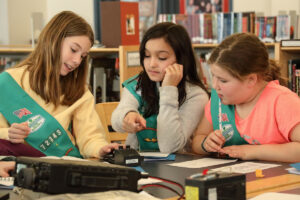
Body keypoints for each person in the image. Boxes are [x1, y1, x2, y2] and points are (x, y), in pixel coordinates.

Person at [0, 11, 119, 158]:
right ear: (53, 40)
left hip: (62, 168)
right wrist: (8, 134)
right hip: (18, 167)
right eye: (74, 50)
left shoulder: (79, 92)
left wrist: (101, 149)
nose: (77, 61)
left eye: (83, 56)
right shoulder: (6, 83)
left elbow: (90, 138)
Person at [192, 32, 300, 163]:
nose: (214, 86)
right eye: (213, 76)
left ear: (251, 80)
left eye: (223, 80)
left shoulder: (282, 101)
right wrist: (206, 144)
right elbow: (198, 140)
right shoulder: (218, 100)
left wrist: (252, 151)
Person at [111, 22, 209, 153]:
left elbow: (169, 146)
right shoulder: (138, 84)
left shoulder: (196, 95)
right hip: (139, 164)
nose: (151, 64)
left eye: (162, 57)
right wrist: (127, 116)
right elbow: (116, 121)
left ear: (181, 59)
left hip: (177, 168)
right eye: (146, 55)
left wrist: (169, 89)